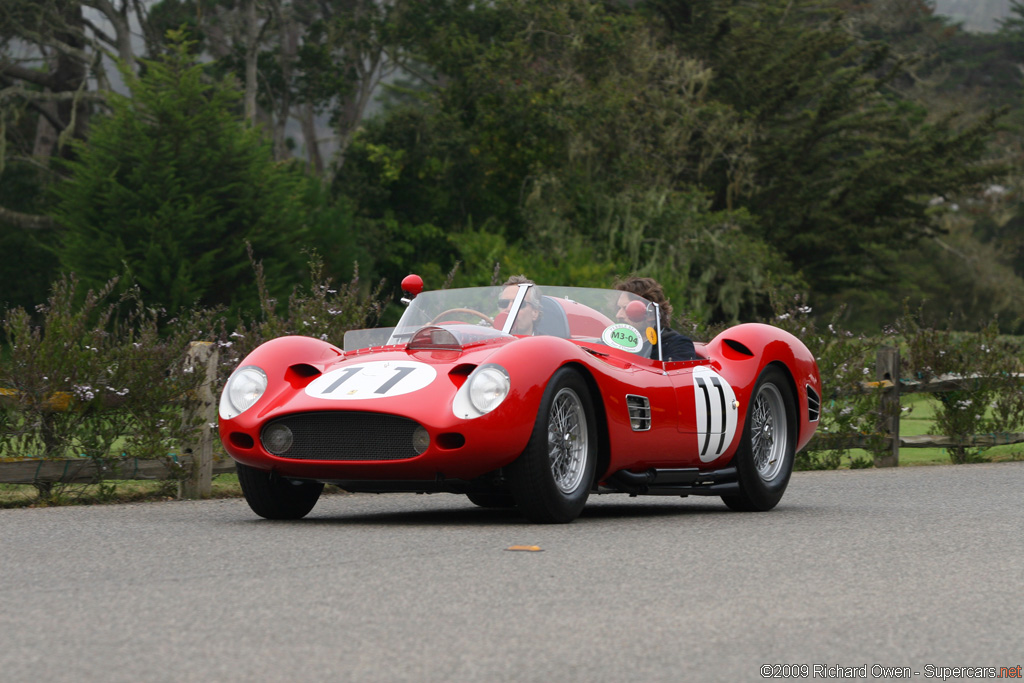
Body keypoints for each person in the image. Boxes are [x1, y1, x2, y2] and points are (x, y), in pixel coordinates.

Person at [613, 276, 697, 361]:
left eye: (627, 309)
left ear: (651, 314)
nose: (618, 315)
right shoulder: (615, 341)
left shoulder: (677, 345)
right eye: (619, 308)